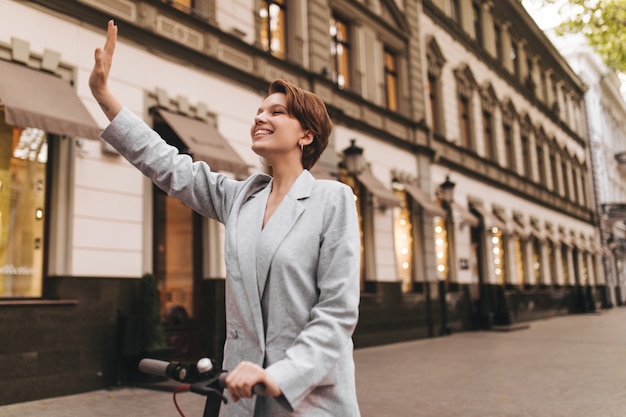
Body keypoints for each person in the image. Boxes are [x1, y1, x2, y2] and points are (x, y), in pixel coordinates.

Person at [90, 20, 361, 417]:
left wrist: (282, 374)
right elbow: (170, 166)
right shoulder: (242, 198)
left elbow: (337, 312)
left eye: (277, 111)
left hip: (307, 400)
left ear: (306, 135)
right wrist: (103, 95)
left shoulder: (331, 199)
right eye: (259, 111)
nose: (260, 117)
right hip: (241, 398)